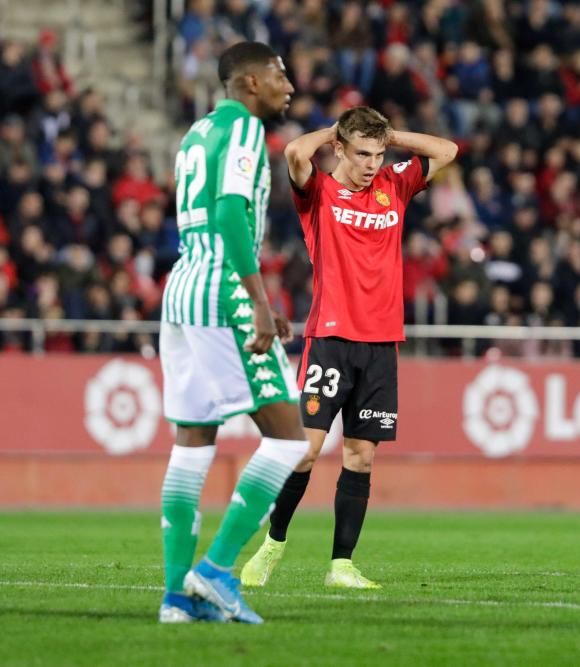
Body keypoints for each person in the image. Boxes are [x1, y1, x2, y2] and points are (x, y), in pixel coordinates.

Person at [240, 106, 458, 589]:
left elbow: (448, 151)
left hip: (382, 343)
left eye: (379, 155)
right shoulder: (317, 191)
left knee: (361, 456)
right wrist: (339, 130)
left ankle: (341, 565)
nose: (372, 164)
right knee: (306, 452)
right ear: (338, 147)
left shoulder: (394, 186)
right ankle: (273, 545)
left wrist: (391, 134)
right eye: (362, 153)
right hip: (332, 339)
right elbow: (296, 150)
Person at [157, 42, 307, 624]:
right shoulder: (245, 130)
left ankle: (176, 598)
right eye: (278, 72)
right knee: (290, 438)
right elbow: (227, 214)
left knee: (193, 442)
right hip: (223, 293)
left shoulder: (196, 135)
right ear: (248, 82)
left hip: (183, 292)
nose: (288, 83)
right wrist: (259, 302)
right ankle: (216, 571)